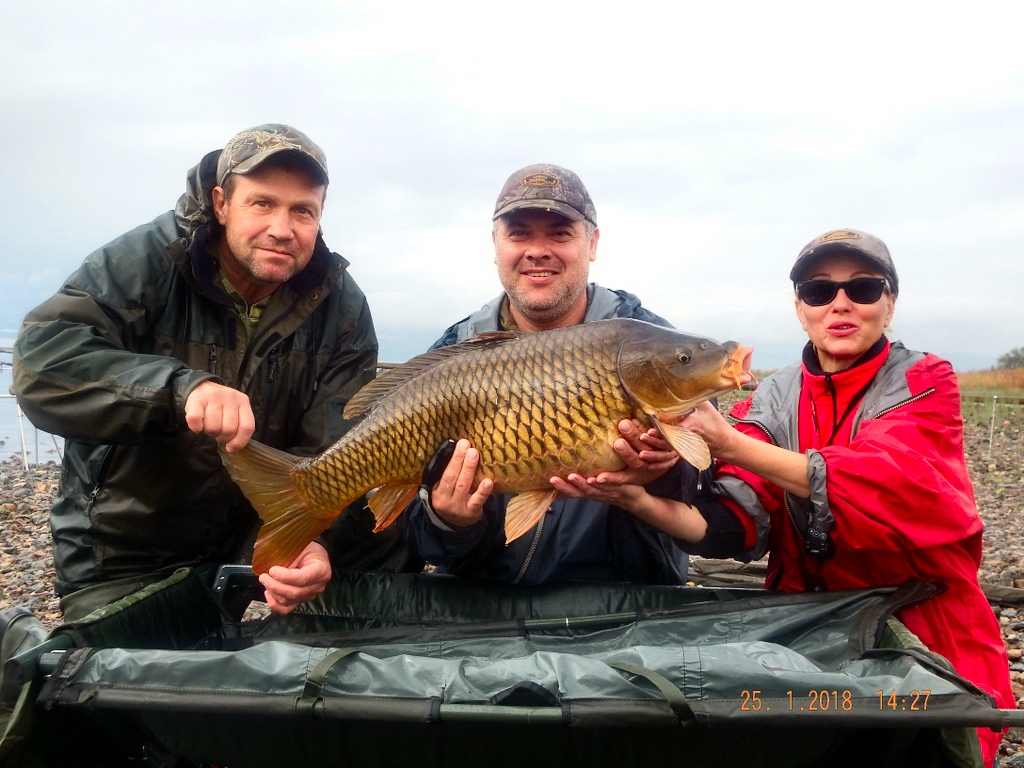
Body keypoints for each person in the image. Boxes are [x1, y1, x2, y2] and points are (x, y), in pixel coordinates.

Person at [611, 228, 1013, 766]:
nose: (840, 303)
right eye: (819, 291)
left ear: (889, 302)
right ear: (800, 308)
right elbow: (739, 516)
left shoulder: (924, 379)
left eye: (864, 288)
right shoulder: (773, 395)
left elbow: (892, 486)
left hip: (923, 637)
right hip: (808, 636)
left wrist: (726, 440)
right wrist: (639, 502)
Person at [13, 124, 411, 621]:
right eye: (262, 204)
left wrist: (315, 542)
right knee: (121, 681)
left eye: (302, 210)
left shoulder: (340, 304)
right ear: (221, 203)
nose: (282, 229)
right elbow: (41, 362)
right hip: (128, 544)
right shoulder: (145, 261)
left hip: (255, 528)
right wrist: (178, 390)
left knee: (389, 539)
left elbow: (334, 446)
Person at [402, 163, 711, 585]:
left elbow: (709, 496)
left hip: (626, 604)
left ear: (592, 243)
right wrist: (448, 521)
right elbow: (415, 540)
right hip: (489, 607)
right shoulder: (453, 354)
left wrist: (668, 469)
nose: (538, 250)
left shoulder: (652, 345)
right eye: (519, 233)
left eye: (560, 233)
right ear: (496, 245)